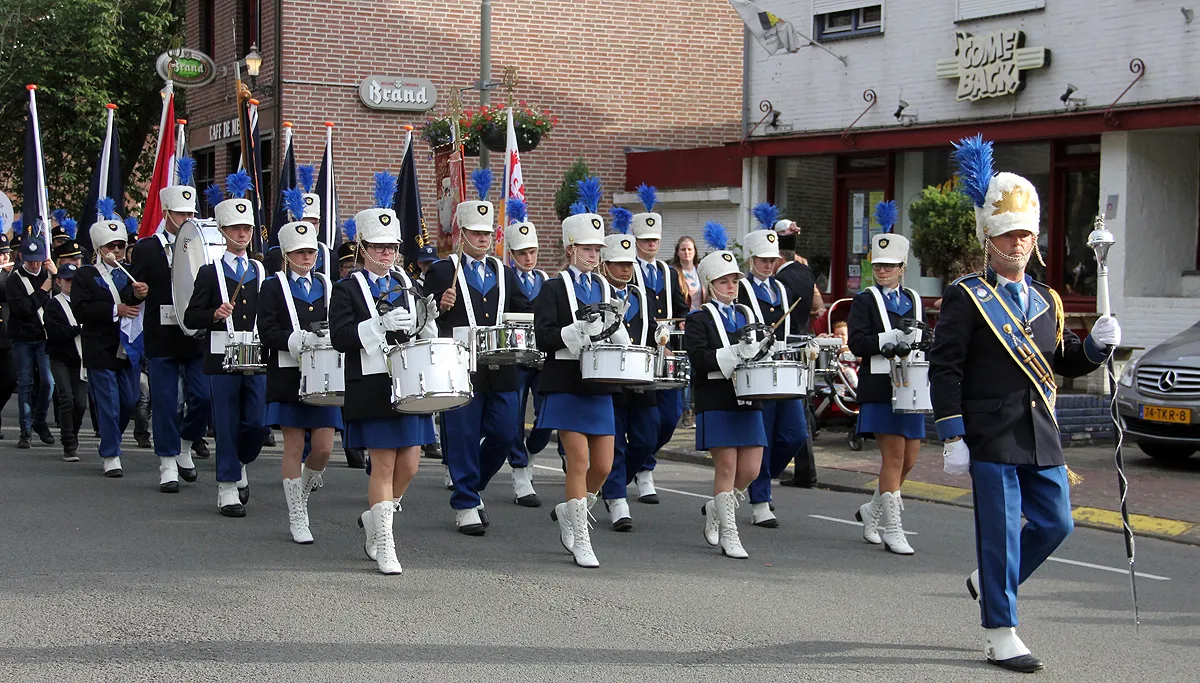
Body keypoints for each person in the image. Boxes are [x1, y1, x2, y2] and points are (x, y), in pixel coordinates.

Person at [929, 135, 1119, 673]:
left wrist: (1096, 348)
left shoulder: (1047, 300)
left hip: (1040, 430)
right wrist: (952, 434)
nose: (1016, 244)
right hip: (989, 433)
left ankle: (986, 585)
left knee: (1057, 524)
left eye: (1024, 235)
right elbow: (945, 368)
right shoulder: (967, 297)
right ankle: (1001, 630)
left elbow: (1058, 360)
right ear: (988, 239)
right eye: (1007, 235)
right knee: (1000, 532)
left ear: (1035, 241)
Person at [329, 175, 439, 574]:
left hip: (408, 383)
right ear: (362, 248)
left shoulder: (407, 281)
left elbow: (419, 330)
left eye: (392, 246)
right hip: (372, 384)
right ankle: (385, 542)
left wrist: (427, 321)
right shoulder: (346, 288)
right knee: (384, 466)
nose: (387, 253)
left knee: (410, 465)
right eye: (379, 246)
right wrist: (378, 325)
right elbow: (341, 338)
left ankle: (375, 518)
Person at [424, 169, 532, 536]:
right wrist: (439, 305)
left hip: (500, 367)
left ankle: (474, 485)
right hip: (459, 368)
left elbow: (521, 312)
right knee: (464, 435)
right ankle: (466, 501)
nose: (484, 239)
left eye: (488, 234)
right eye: (476, 234)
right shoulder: (442, 271)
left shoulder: (504, 272)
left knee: (504, 433)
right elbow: (424, 321)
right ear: (462, 235)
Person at [533, 177, 624, 567]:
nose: (593, 254)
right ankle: (580, 535)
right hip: (565, 382)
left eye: (597, 248)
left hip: (599, 382)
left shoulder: (607, 289)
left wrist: (618, 332)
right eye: (587, 248)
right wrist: (575, 332)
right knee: (579, 460)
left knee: (604, 464)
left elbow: (617, 332)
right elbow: (544, 337)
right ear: (571, 249)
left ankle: (573, 511)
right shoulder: (552, 288)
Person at [258, 192, 345, 543]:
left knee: (324, 448)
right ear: (286, 256)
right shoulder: (271, 286)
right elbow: (267, 330)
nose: (306, 258)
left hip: (325, 376)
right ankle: (296, 513)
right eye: (299, 253)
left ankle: (302, 498)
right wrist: (295, 341)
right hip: (288, 374)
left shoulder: (328, 285)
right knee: (293, 446)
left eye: (310, 252)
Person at [184, 171, 270, 517]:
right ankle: (226, 487)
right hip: (221, 355)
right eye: (235, 228)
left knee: (257, 423)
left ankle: (241, 460)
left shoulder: (262, 271)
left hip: (256, 354)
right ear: (222, 232)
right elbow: (191, 317)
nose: (241, 234)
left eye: (246, 228)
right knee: (226, 420)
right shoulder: (210, 271)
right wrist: (214, 314)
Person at [685, 221, 770, 559]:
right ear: (710, 284)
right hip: (716, 398)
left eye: (735, 280)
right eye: (724, 281)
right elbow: (701, 360)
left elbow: (761, 349)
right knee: (727, 468)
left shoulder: (748, 313)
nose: (732, 286)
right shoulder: (698, 319)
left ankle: (716, 508)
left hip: (749, 398)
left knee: (750, 469)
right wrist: (735, 352)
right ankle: (729, 532)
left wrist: (765, 349)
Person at [845, 201, 925, 554]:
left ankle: (871, 510)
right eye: (878, 265)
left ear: (902, 267)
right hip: (880, 385)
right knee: (892, 459)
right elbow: (857, 342)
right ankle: (893, 526)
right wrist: (890, 339)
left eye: (890, 265)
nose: (883, 271)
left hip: (913, 386)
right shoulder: (864, 300)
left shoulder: (913, 298)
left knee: (910, 459)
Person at [131, 158, 212, 490]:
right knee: (166, 400)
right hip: (162, 334)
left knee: (203, 397)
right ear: (166, 213)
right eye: (181, 215)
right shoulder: (148, 248)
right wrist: (136, 291)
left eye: (191, 215)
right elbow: (131, 288)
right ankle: (166, 462)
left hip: (195, 335)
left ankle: (186, 444)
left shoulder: (203, 245)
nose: (187, 220)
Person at [738, 206, 808, 529]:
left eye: (772, 259)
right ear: (751, 259)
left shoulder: (782, 289)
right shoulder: (740, 289)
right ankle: (761, 498)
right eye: (763, 259)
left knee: (795, 434)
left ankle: (760, 479)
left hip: (784, 370)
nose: (769, 265)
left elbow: (789, 331)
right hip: (756, 373)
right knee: (761, 436)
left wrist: (806, 344)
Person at [72, 201, 149, 478]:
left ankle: (110, 438)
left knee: (129, 401)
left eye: (119, 246)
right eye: (109, 247)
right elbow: (80, 309)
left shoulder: (130, 273)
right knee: (108, 402)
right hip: (100, 347)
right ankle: (111, 453)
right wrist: (113, 310)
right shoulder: (85, 275)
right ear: (98, 249)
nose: (115, 251)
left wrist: (140, 294)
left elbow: (134, 300)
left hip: (127, 348)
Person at [597, 208, 657, 532]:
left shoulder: (641, 295)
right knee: (616, 441)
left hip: (641, 376)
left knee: (648, 436)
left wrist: (661, 339)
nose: (626, 269)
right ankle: (616, 497)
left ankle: (617, 480)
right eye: (619, 264)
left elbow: (651, 328)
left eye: (629, 264)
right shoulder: (598, 293)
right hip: (610, 377)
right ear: (605, 266)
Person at [629, 184, 688, 503]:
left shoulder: (668, 270)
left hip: (664, 351)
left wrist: (682, 324)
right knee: (646, 420)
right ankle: (643, 468)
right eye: (645, 240)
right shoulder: (627, 267)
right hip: (637, 349)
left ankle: (641, 463)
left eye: (655, 239)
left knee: (670, 417)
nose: (651, 244)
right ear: (636, 241)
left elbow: (681, 308)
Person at [504, 197, 548, 507]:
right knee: (514, 414)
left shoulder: (546, 279)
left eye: (532, 252)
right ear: (512, 254)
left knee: (547, 413)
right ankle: (519, 471)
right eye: (522, 253)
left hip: (542, 356)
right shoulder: (505, 279)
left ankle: (532, 450)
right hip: (515, 356)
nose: (529, 258)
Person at [6, 226, 57, 449]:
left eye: (37, 260)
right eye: (30, 260)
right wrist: (43, 290)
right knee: (25, 383)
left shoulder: (49, 275)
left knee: (48, 382)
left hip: (44, 336)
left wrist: (56, 276)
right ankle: (25, 430)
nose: (34, 264)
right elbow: (23, 309)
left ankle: (39, 420)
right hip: (22, 338)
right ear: (22, 258)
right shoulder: (14, 280)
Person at [43, 263, 87, 462]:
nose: (71, 284)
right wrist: (78, 329)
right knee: (66, 398)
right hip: (60, 357)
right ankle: (68, 442)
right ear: (59, 282)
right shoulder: (54, 305)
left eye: (74, 280)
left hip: (80, 359)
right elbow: (55, 332)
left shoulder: (84, 301)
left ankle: (73, 433)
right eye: (67, 280)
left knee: (80, 403)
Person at [333, 222, 367, 471]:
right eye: (347, 267)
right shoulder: (340, 288)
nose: (352, 270)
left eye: (357, 266)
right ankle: (352, 446)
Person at [669, 235, 701, 429]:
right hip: (682, 326)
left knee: (698, 369)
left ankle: (697, 407)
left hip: (701, 323)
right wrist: (681, 320)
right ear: (677, 252)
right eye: (683, 249)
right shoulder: (675, 273)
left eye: (690, 249)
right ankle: (687, 410)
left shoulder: (700, 272)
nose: (687, 253)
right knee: (686, 368)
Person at [0, 229, 19, 439]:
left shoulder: (13, 275)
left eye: (6, 253)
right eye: (1, 253)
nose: (5, 257)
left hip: (7, 335)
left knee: (9, 379)